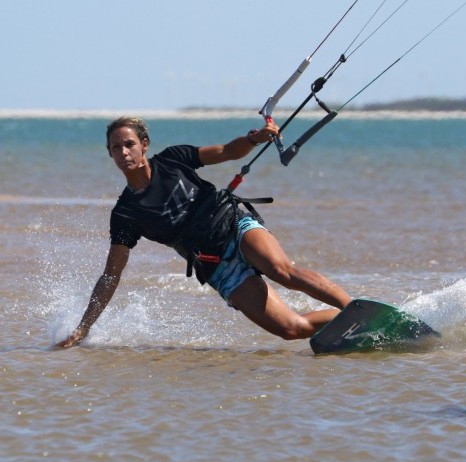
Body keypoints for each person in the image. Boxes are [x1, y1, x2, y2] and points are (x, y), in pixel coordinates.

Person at [56, 116, 352, 348]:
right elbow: (111, 275)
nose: (123, 152)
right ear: (110, 155)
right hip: (216, 265)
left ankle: (353, 307)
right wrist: (84, 327)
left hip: (235, 227)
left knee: (280, 270)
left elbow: (227, 151)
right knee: (291, 329)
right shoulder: (125, 214)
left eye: (129, 144)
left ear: (144, 144)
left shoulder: (172, 160)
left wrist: (254, 138)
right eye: (115, 148)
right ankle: (353, 322)